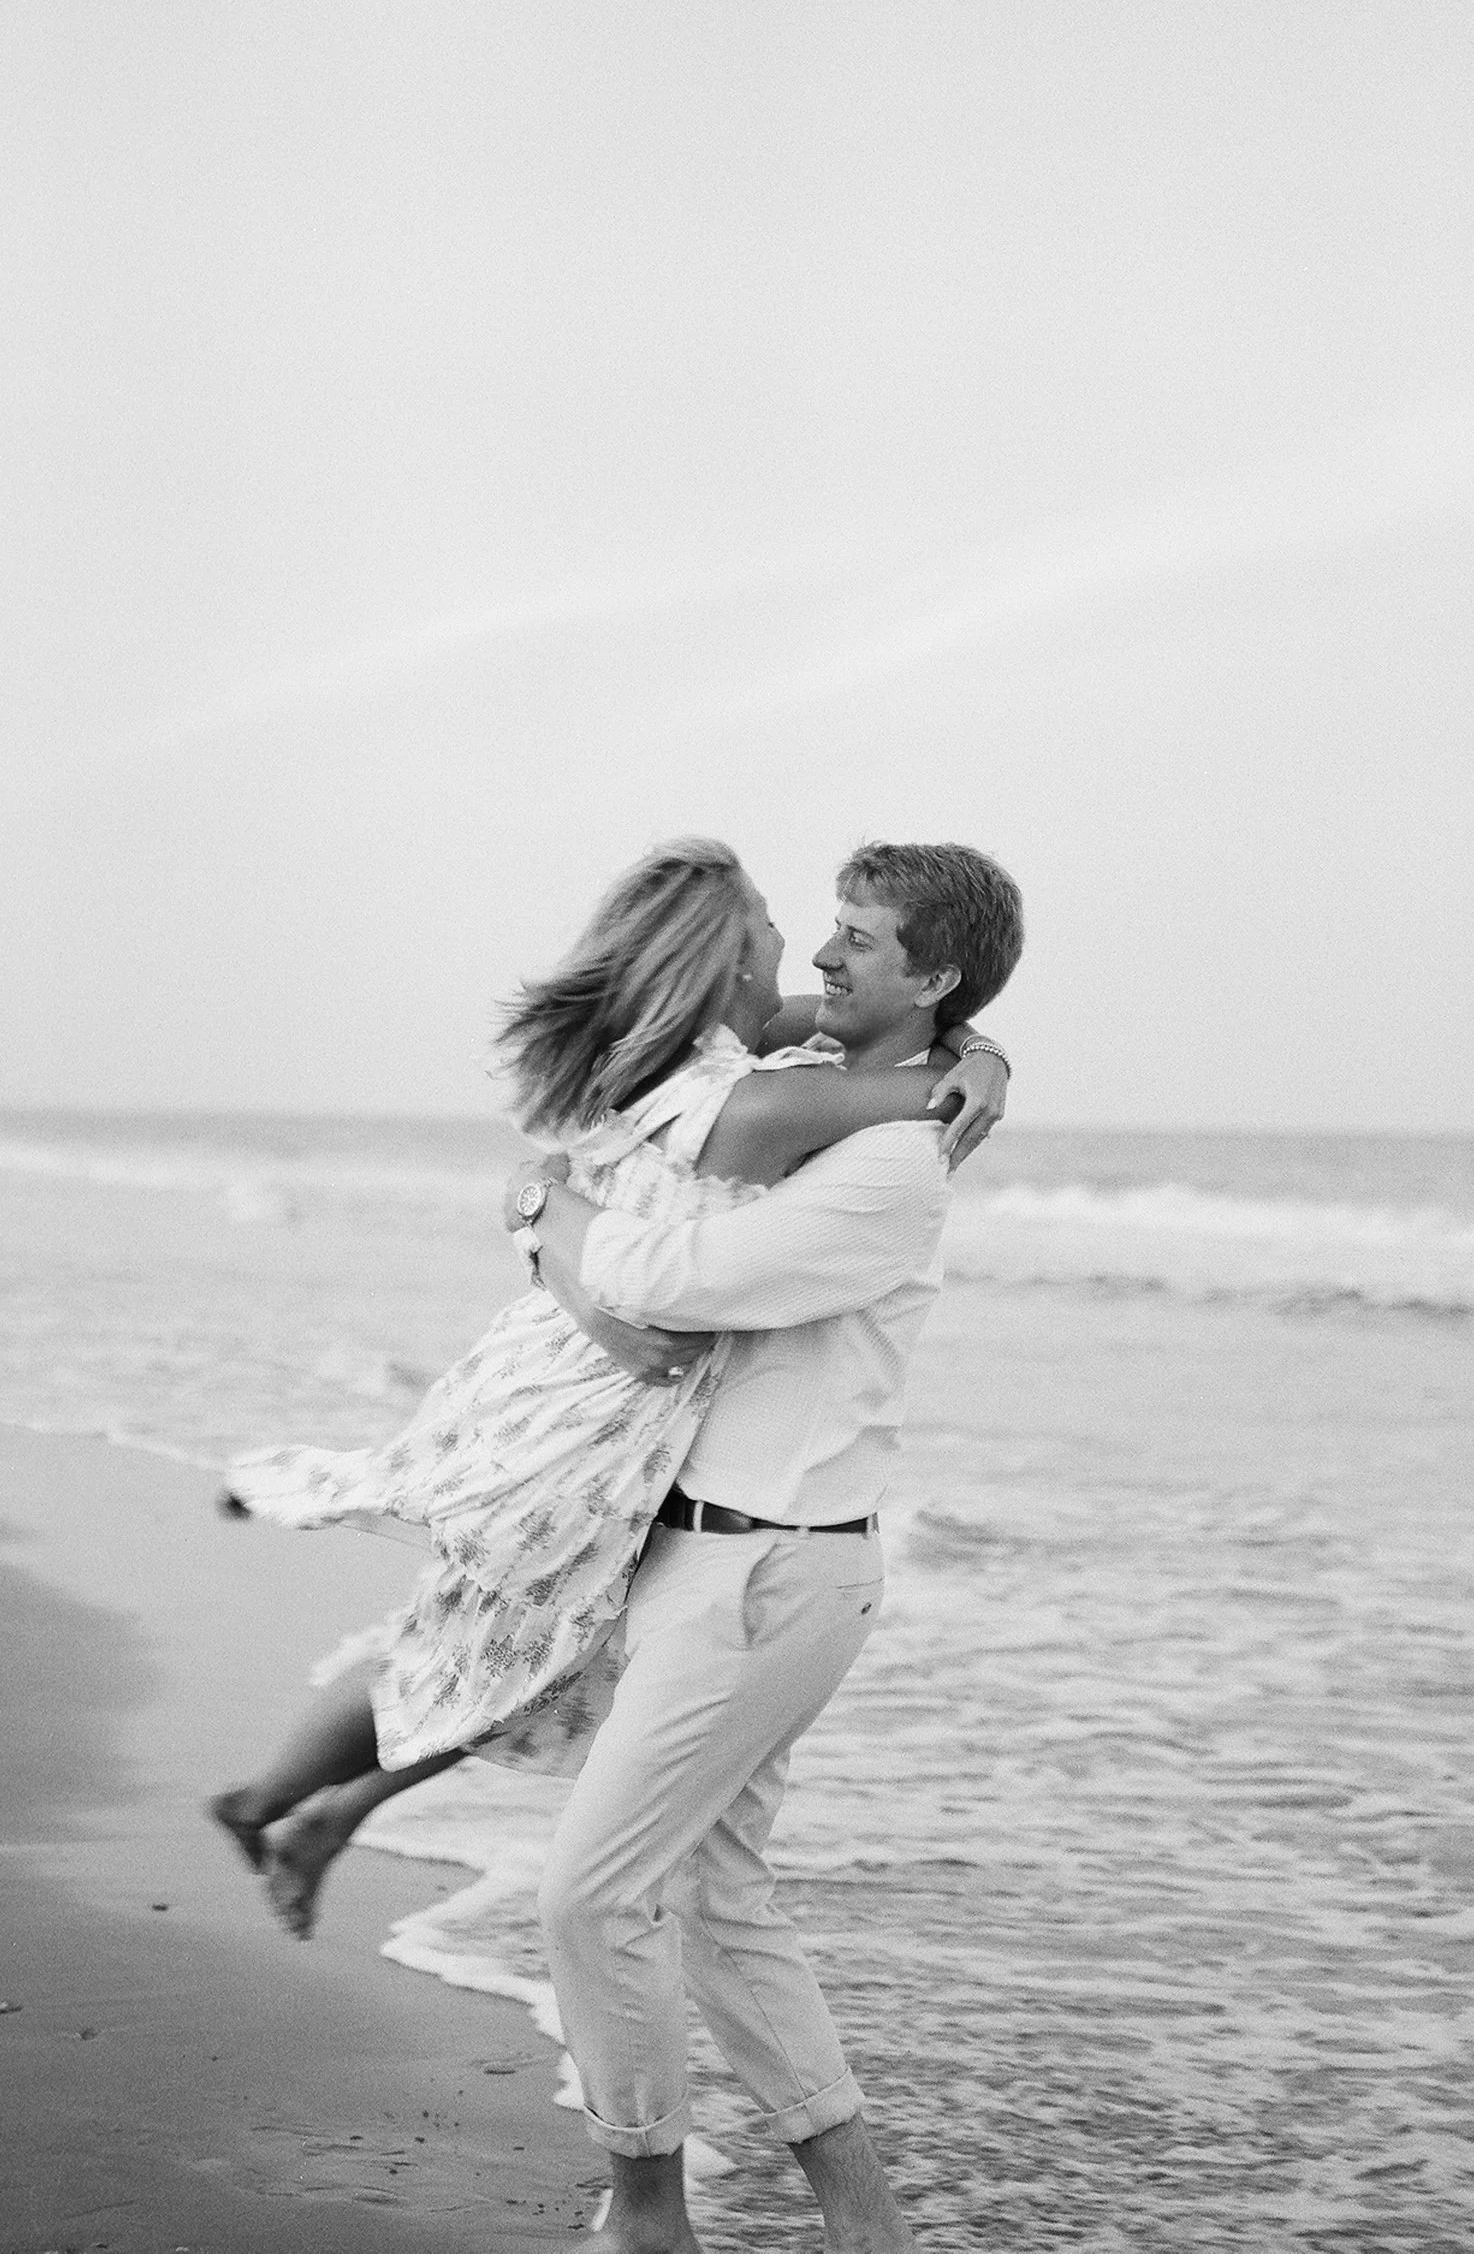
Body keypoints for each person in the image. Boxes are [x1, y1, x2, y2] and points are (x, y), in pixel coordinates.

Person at [208, 838, 1011, 1948]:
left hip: (567, 1387)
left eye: (838, 935)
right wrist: (974, 1066)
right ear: (728, 963)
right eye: (774, 926)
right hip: (589, 1416)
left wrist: (978, 1039)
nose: (804, 949)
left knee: (533, 1650)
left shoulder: (684, 1054)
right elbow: (915, 1099)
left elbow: (860, 1041)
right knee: (496, 1638)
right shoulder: (743, 1101)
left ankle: (319, 1813)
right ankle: (275, 1801)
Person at [502, 839, 1022, 2254]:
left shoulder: (892, 1164)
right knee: (718, 1900)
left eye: (859, 937)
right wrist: (984, 1054)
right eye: (826, 928)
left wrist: (550, 1209)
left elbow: (671, 1281)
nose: (825, 957)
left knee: (589, 1894)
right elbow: (711, 1085)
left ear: (935, 975)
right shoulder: (821, 1091)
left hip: (769, 1568)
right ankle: (866, 2226)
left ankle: (647, 2215)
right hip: (715, 1555)